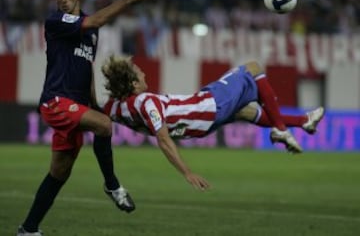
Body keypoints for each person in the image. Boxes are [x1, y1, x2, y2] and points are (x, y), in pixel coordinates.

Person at [17, 0, 153, 236]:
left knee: (59, 172)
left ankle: (28, 228)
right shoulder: (56, 22)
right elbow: (96, 20)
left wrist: (93, 103)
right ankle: (112, 186)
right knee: (104, 126)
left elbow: (86, 66)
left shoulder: (90, 31)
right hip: (57, 101)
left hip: (76, 105)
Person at [100, 55, 324, 189]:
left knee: (245, 111)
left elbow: (94, 108)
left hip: (201, 126)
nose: (145, 77)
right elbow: (163, 138)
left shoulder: (115, 108)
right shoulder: (146, 102)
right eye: (140, 75)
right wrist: (187, 172)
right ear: (132, 83)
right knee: (253, 68)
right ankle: (281, 130)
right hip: (210, 105)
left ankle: (304, 120)